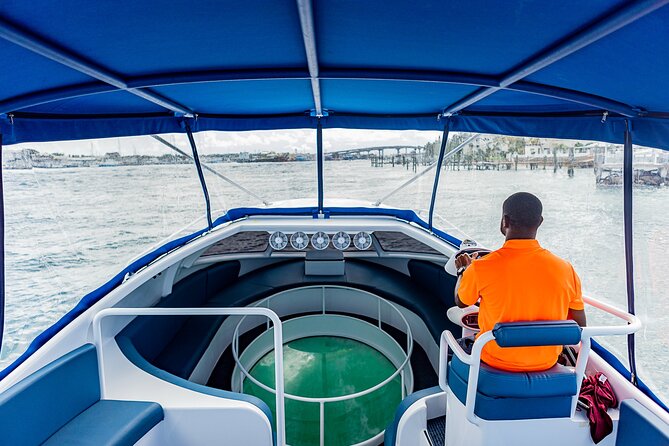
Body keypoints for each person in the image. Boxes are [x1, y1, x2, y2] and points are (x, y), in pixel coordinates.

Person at [454, 192, 586, 372]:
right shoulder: (566, 269)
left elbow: (461, 302)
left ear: (505, 221)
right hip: (546, 364)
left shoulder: (480, 268)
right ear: (540, 222)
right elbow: (579, 327)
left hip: (494, 362)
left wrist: (463, 271)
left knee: (455, 347)